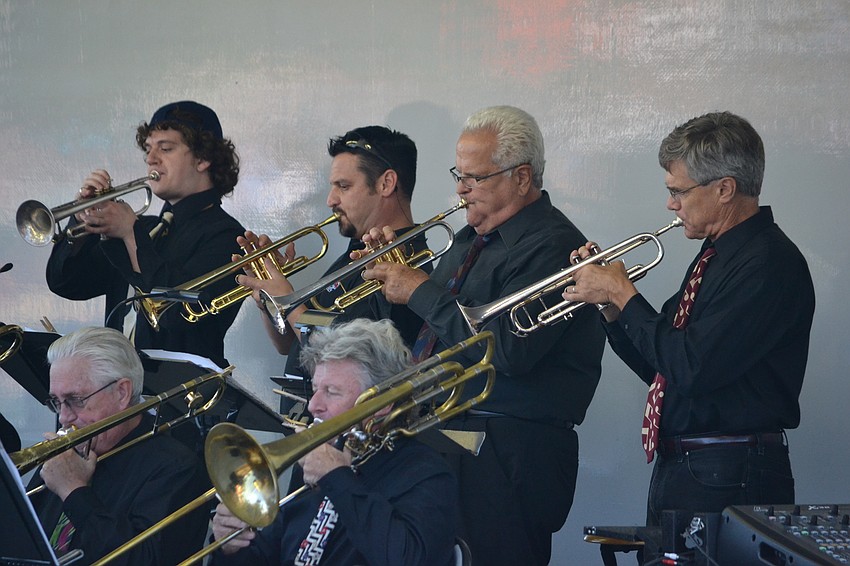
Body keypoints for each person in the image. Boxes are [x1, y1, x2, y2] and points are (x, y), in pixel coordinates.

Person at [361, 105, 606, 566]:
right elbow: (432, 334)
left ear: (521, 177)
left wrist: (422, 290)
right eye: (459, 174)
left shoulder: (553, 246)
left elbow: (509, 349)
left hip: (508, 454)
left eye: (475, 177)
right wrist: (391, 283)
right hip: (446, 437)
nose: (460, 188)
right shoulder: (467, 241)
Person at [566, 111, 816, 526]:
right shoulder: (716, 257)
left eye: (678, 190)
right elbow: (663, 367)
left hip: (730, 470)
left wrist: (622, 292)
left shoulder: (768, 263)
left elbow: (692, 366)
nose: (671, 203)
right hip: (693, 467)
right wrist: (610, 307)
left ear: (724, 189)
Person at [209, 318, 460, 566]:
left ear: (381, 404)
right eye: (316, 389)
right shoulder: (322, 461)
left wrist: (337, 477)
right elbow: (272, 552)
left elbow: (406, 558)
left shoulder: (426, 473)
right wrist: (232, 549)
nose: (313, 405)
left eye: (332, 392)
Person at [46, 101, 245, 368]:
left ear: (203, 158)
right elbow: (67, 284)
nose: (151, 158)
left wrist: (130, 235)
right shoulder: (147, 227)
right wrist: (82, 224)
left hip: (185, 396)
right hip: (118, 389)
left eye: (166, 148)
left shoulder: (229, 237)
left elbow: (176, 313)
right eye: (149, 149)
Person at [237, 125, 426, 399]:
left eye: (344, 186)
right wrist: (269, 299)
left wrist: (287, 300)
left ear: (386, 184)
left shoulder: (406, 265)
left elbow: (347, 362)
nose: (330, 200)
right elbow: (288, 344)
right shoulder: (353, 254)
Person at [27, 326, 210, 564]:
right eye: (57, 402)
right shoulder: (65, 455)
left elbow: (143, 560)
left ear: (122, 392)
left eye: (75, 400)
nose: (63, 417)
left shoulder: (176, 468)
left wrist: (73, 491)